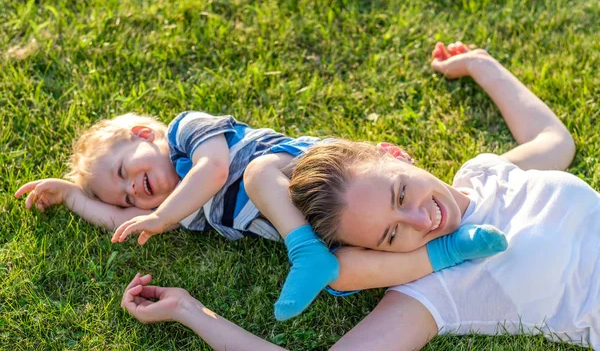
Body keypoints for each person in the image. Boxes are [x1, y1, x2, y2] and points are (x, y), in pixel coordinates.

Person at [120, 41, 597, 351]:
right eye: (392, 235)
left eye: (400, 192)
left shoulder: (484, 173)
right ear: (373, 253)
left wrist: (480, 64)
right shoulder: (430, 289)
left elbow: (555, 144)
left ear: (395, 154)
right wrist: (189, 310)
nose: (419, 220)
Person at [14, 95, 505, 320]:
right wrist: (74, 197)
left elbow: (213, 170)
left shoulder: (187, 134)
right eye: (125, 194)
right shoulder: (181, 209)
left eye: (126, 171)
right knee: (342, 272)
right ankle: (449, 251)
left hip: (305, 174)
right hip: (321, 222)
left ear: (145, 136)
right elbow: (126, 223)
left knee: (255, 174)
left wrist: (163, 216)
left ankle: (304, 252)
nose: (135, 192)